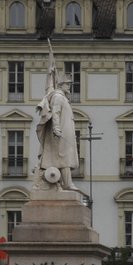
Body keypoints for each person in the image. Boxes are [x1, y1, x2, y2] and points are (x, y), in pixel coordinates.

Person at [33, 57, 81, 193]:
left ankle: (66, 183)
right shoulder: (58, 97)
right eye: (67, 84)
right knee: (64, 158)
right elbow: (55, 113)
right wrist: (57, 128)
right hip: (59, 135)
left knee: (65, 158)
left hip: (65, 133)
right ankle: (68, 183)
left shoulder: (62, 97)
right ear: (61, 85)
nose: (69, 86)